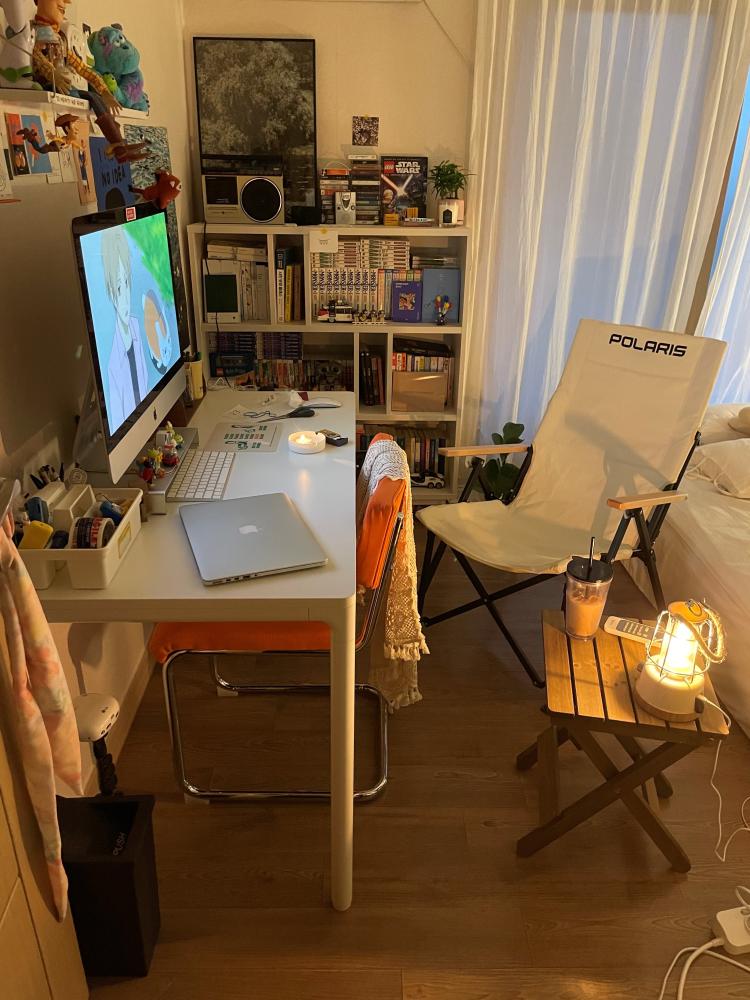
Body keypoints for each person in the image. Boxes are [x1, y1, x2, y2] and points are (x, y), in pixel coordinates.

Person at [101, 228, 149, 431]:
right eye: (119, 288)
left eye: (127, 283)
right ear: (111, 293)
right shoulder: (113, 364)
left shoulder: (136, 327)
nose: (125, 297)